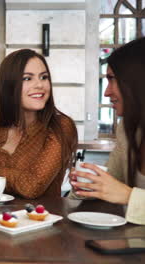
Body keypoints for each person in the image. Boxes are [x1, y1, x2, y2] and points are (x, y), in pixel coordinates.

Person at [0, 49, 77, 199]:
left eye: (44, 77)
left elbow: (32, 186)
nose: (39, 85)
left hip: (41, 220)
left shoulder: (61, 127)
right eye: (27, 78)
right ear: (9, 86)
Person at [69, 37, 145, 225]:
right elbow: (112, 183)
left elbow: (120, 192)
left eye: (112, 80)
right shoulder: (128, 129)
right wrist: (87, 185)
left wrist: (128, 196)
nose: (106, 92)